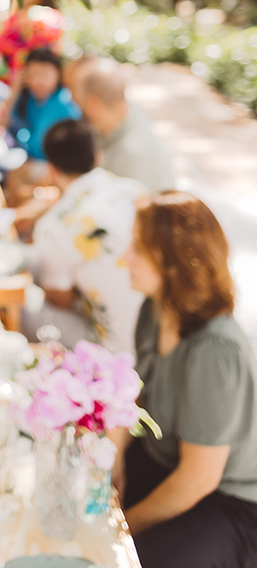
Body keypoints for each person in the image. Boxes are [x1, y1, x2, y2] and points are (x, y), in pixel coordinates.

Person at [116, 192, 257, 568]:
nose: (124, 257)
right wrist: (113, 454)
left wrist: (121, 528)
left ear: (174, 264)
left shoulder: (216, 351)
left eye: (137, 249)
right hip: (164, 457)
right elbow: (139, 395)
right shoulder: (154, 309)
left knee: (131, 559)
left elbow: (198, 479)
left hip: (229, 500)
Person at [22, 118, 144, 353]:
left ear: (52, 170)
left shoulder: (56, 224)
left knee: (24, 305)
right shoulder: (134, 190)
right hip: (152, 330)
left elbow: (61, 299)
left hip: (116, 347)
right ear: (97, 156)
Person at [69, 58, 175, 193]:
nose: (75, 105)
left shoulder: (131, 155)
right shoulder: (124, 113)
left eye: (78, 100)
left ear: (93, 104)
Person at [4, 48, 80, 206]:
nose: (38, 81)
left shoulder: (65, 106)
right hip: (32, 164)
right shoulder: (29, 99)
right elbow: (3, 120)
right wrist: (15, 88)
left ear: (58, 75)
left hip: (54, 171)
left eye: (44, 75)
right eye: (32, 74)